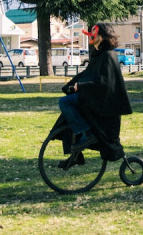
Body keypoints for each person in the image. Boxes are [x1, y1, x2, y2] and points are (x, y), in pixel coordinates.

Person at [52, 23, 132, 167]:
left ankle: (86, 135)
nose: (90, 34)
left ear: (101, 37)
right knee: (68, 115)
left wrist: (81, 86)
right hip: (94, 99)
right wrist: (72, 84)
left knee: (65, 103)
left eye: (94, 32)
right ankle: (75, 155)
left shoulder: (107, 55)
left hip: (102, 103)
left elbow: (104, 82)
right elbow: (88, 74)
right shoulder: (99, 55)